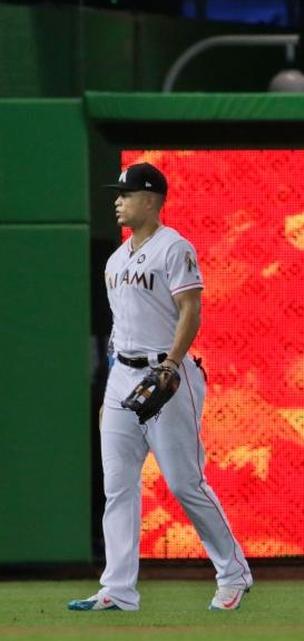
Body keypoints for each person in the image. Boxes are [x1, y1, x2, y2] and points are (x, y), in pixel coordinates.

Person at [68, 162, 253, 612]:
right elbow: (119, 328)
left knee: (185, 483)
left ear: (150, 200)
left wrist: (171, 364)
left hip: (166, 373)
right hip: (124, 375)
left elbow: (191, 309)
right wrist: (112, 388)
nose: (118, 200)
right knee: (118, 486)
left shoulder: (174, 248)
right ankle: (118, 589)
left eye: (126, 194)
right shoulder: (116, 259)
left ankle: (233, 572)